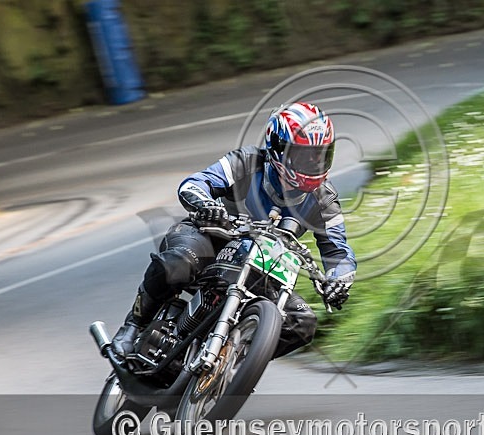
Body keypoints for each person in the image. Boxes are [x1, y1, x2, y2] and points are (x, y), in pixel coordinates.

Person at [111, 101, 356, 359]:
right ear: (277, 149)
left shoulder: (325, 198)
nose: (313, 162)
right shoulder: (247, 161)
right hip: (211, 238)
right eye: (304, 155)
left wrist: (338, 280)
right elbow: (195, 183)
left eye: (320, 155)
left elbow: (339, 254)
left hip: (264, 264)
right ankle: (133, 326)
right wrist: (206, 205)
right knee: (178, 263)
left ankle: (230, 365)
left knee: (301, 322)